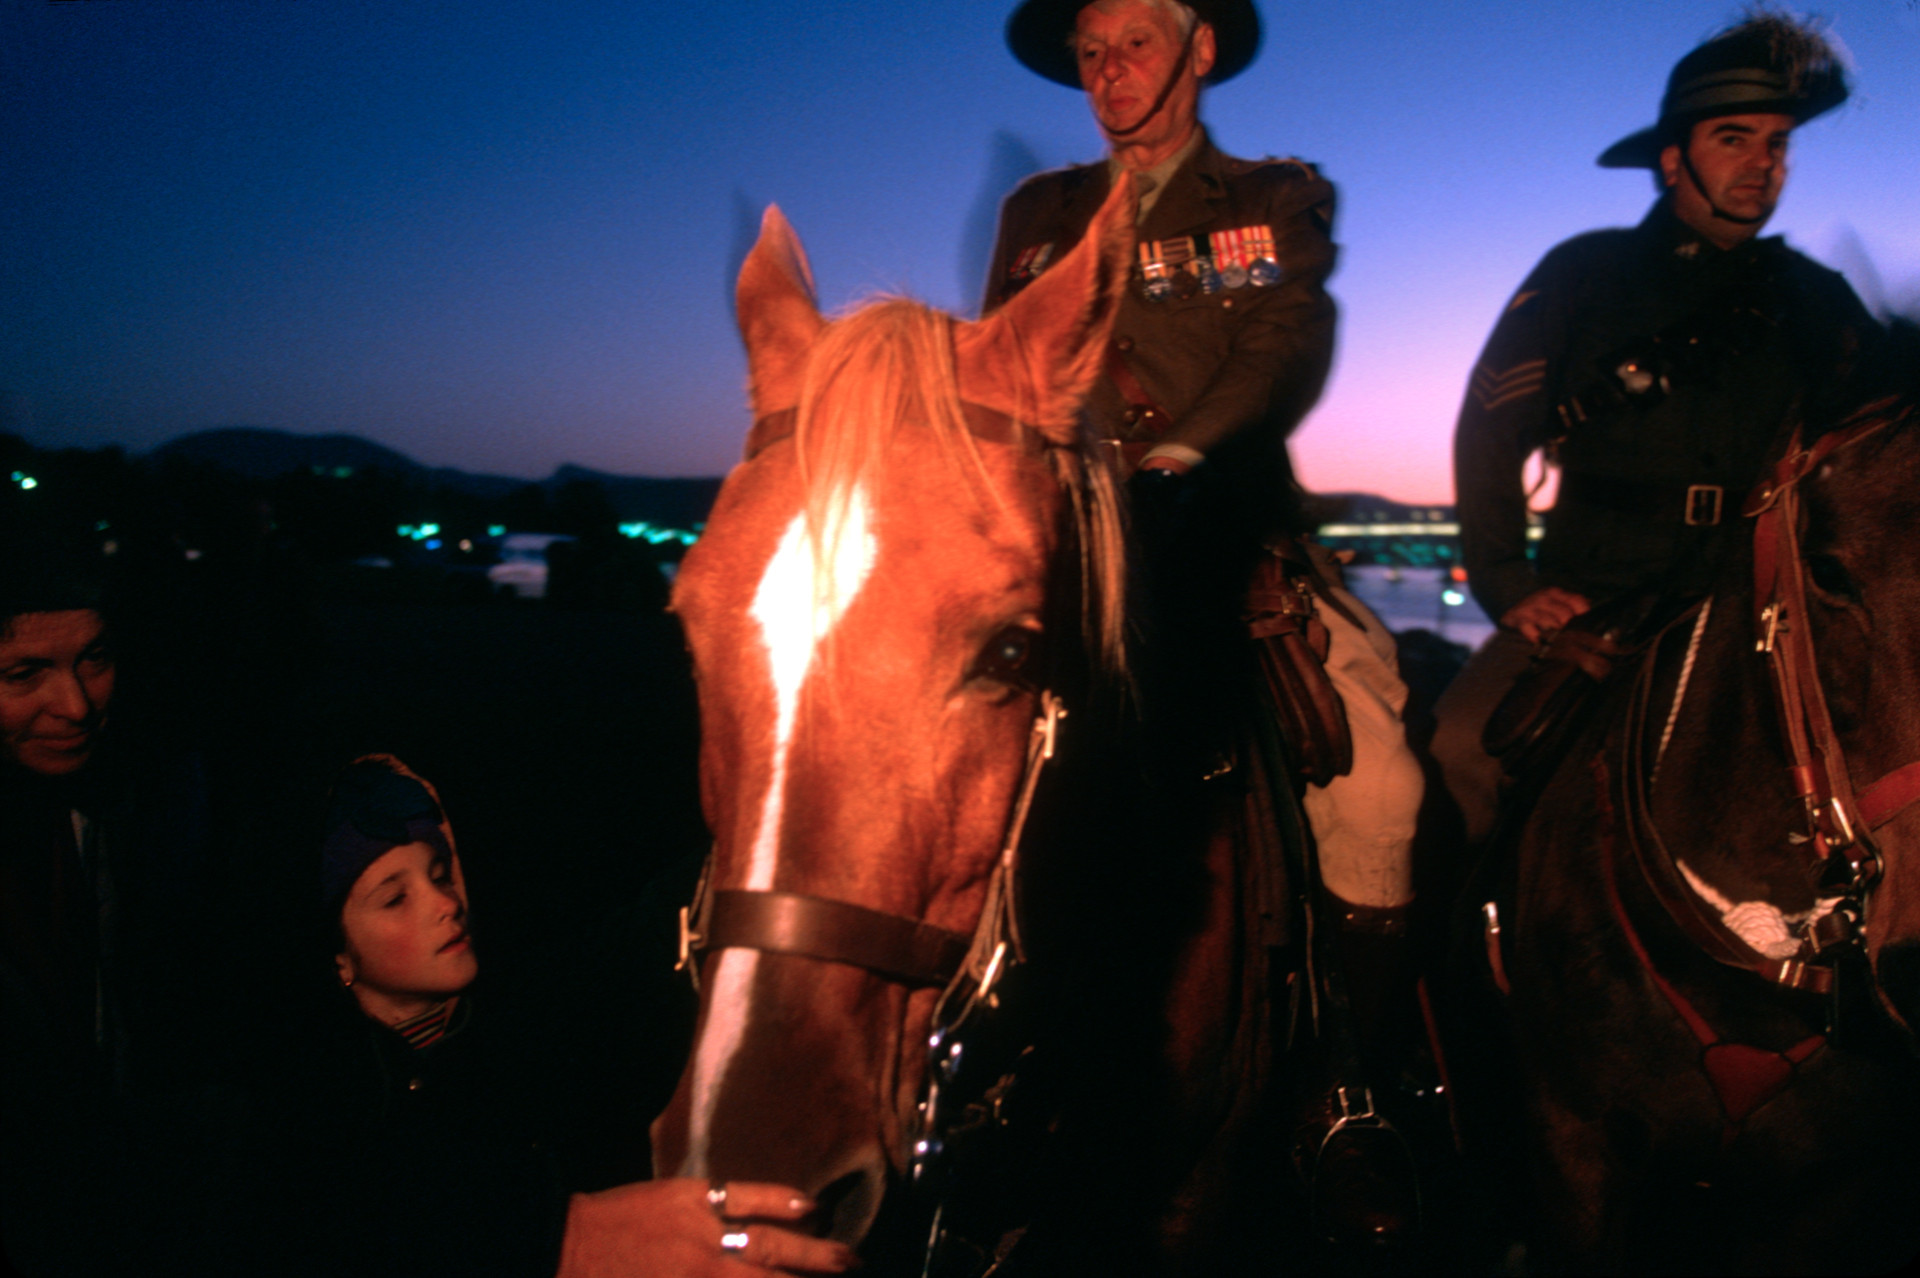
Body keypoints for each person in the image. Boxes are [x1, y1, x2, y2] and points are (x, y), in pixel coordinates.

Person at [990, 0, 1425, 1245]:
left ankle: (1349, 1085)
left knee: (1382, 784)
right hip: (1065, 552)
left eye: (1134, 43)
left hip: (1226, 543)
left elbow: (1283, 339)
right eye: (1089, 52)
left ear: (1201, 51)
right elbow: (1004, 362)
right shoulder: (1039, 216)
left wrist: (1180, 454)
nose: (1108, 72)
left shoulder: (1272, 198)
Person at [1433, 13, 1882, 845]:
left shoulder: (1816, 298)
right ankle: (1468, 965)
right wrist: (1509, 584)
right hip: (1594, 594)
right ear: (1674, 160)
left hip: (1759, 606)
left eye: (1777, 144)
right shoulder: (1585, 274)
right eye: (1735, 139)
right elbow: (1489, 430)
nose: (1763, 165)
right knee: (1464, 748)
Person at [269, 754, 852, 1278]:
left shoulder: (535, 1023)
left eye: (441, 873)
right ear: (339, 957)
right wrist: (558, 1242)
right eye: (396, 899)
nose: (445, 904)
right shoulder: (299, 1113)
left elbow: (641, 935)